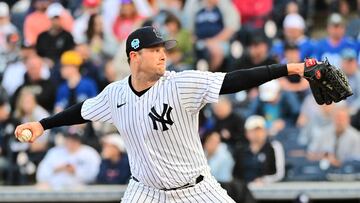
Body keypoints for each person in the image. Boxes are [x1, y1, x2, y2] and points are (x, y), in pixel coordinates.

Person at [15, 26, 305, 202]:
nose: (163, 54)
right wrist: (43, 124)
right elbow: (82, 110)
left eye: (163, 49)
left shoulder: (180, 83)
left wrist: (287, 68)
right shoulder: (115, 94)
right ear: (134, 56)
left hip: (196, 190)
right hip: (146, 191)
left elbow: (234, 79)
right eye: (154, 50)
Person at [233, 115, 285, 185]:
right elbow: (235, 174)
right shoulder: (240, 150)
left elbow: (279, 174)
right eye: (253, 130)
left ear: (265, 131)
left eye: (260, 130)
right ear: (247, 133)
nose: (257, 133)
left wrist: (264, 180)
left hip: (268, 190)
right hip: (244, 190)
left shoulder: (274, 146)